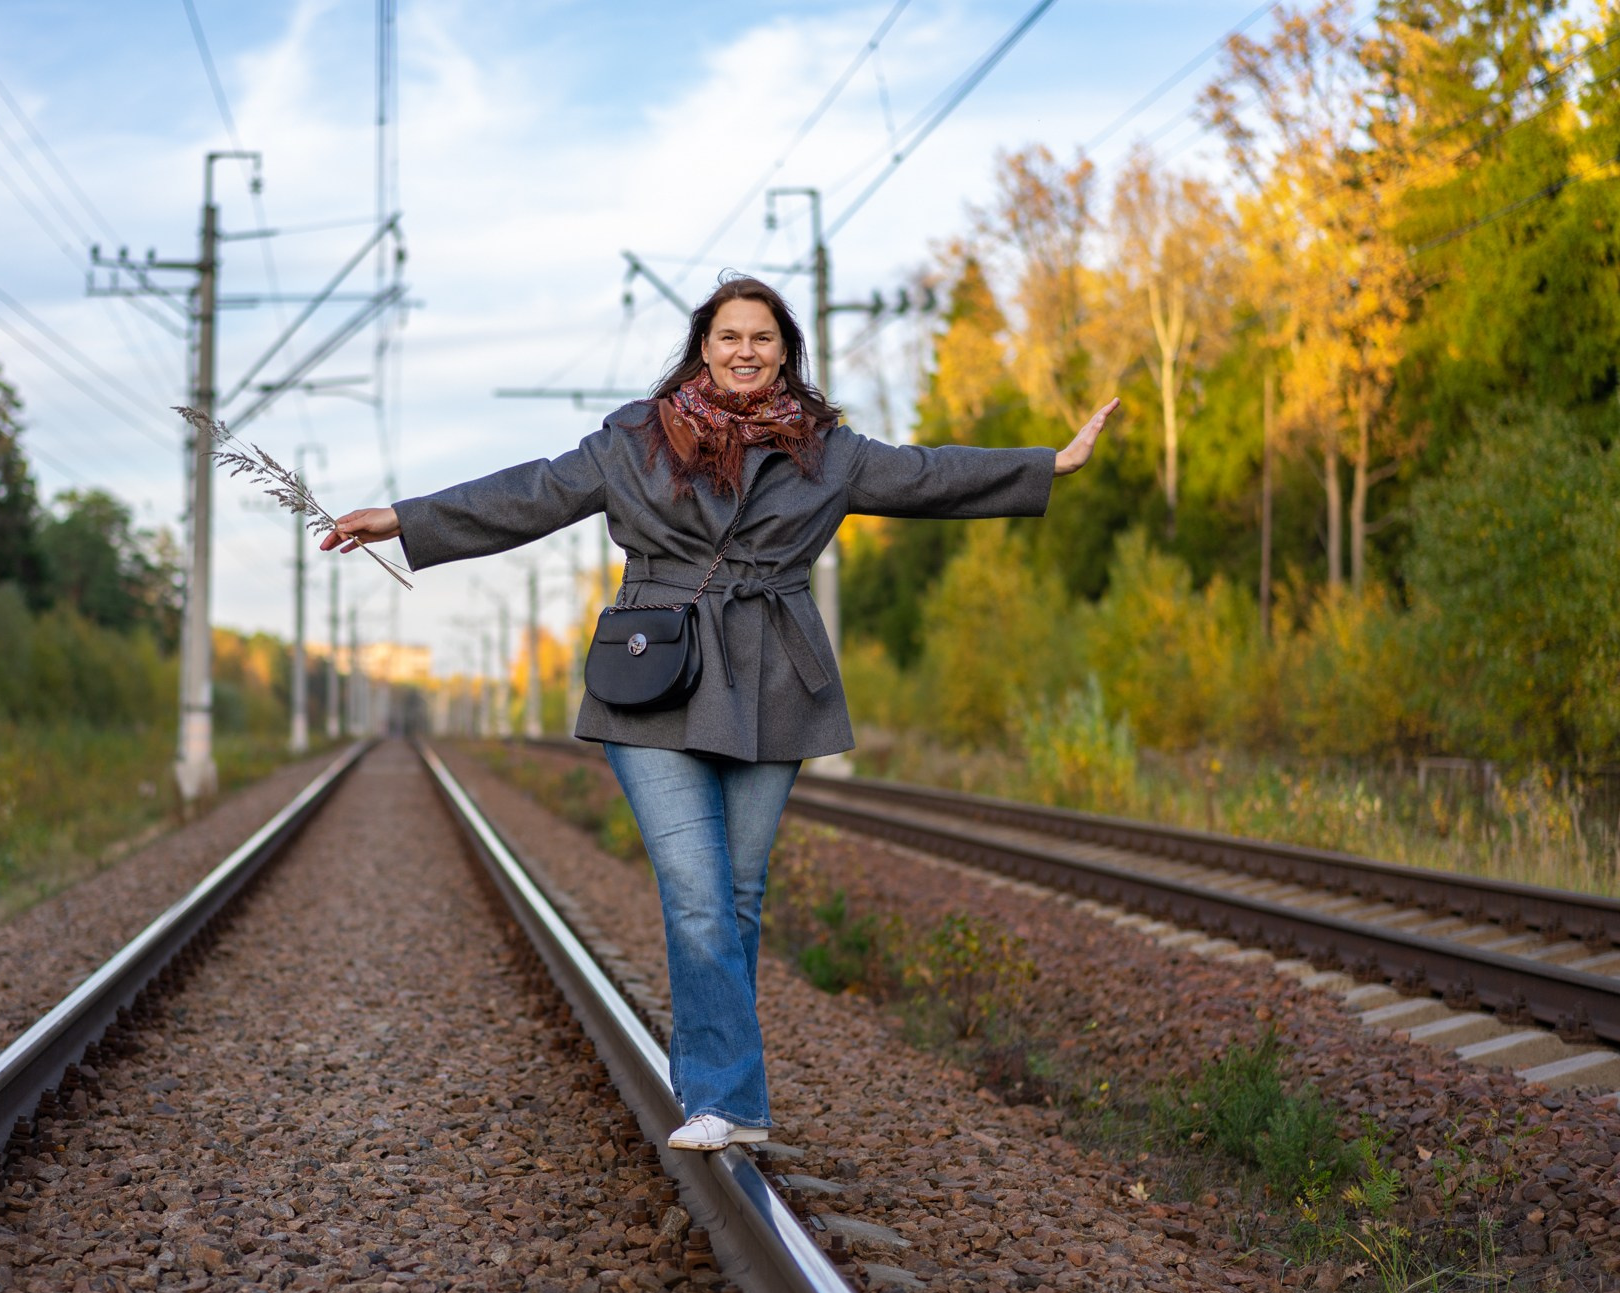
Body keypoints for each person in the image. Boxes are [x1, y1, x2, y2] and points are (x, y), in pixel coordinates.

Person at [326, 276, 1114, 1151]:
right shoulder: (634, 439)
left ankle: (722, 1087)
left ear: (786, 352)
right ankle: (725, 1098)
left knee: (738, 896)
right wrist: (403, 518)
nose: (746, 352)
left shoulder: (829, 451)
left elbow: (928, 474)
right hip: (655, 678)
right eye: (730, 336)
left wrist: (1049, 463)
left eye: (764, 340)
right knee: (698, 894)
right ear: (703, 346)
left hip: (775, 680)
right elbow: (535, 492)